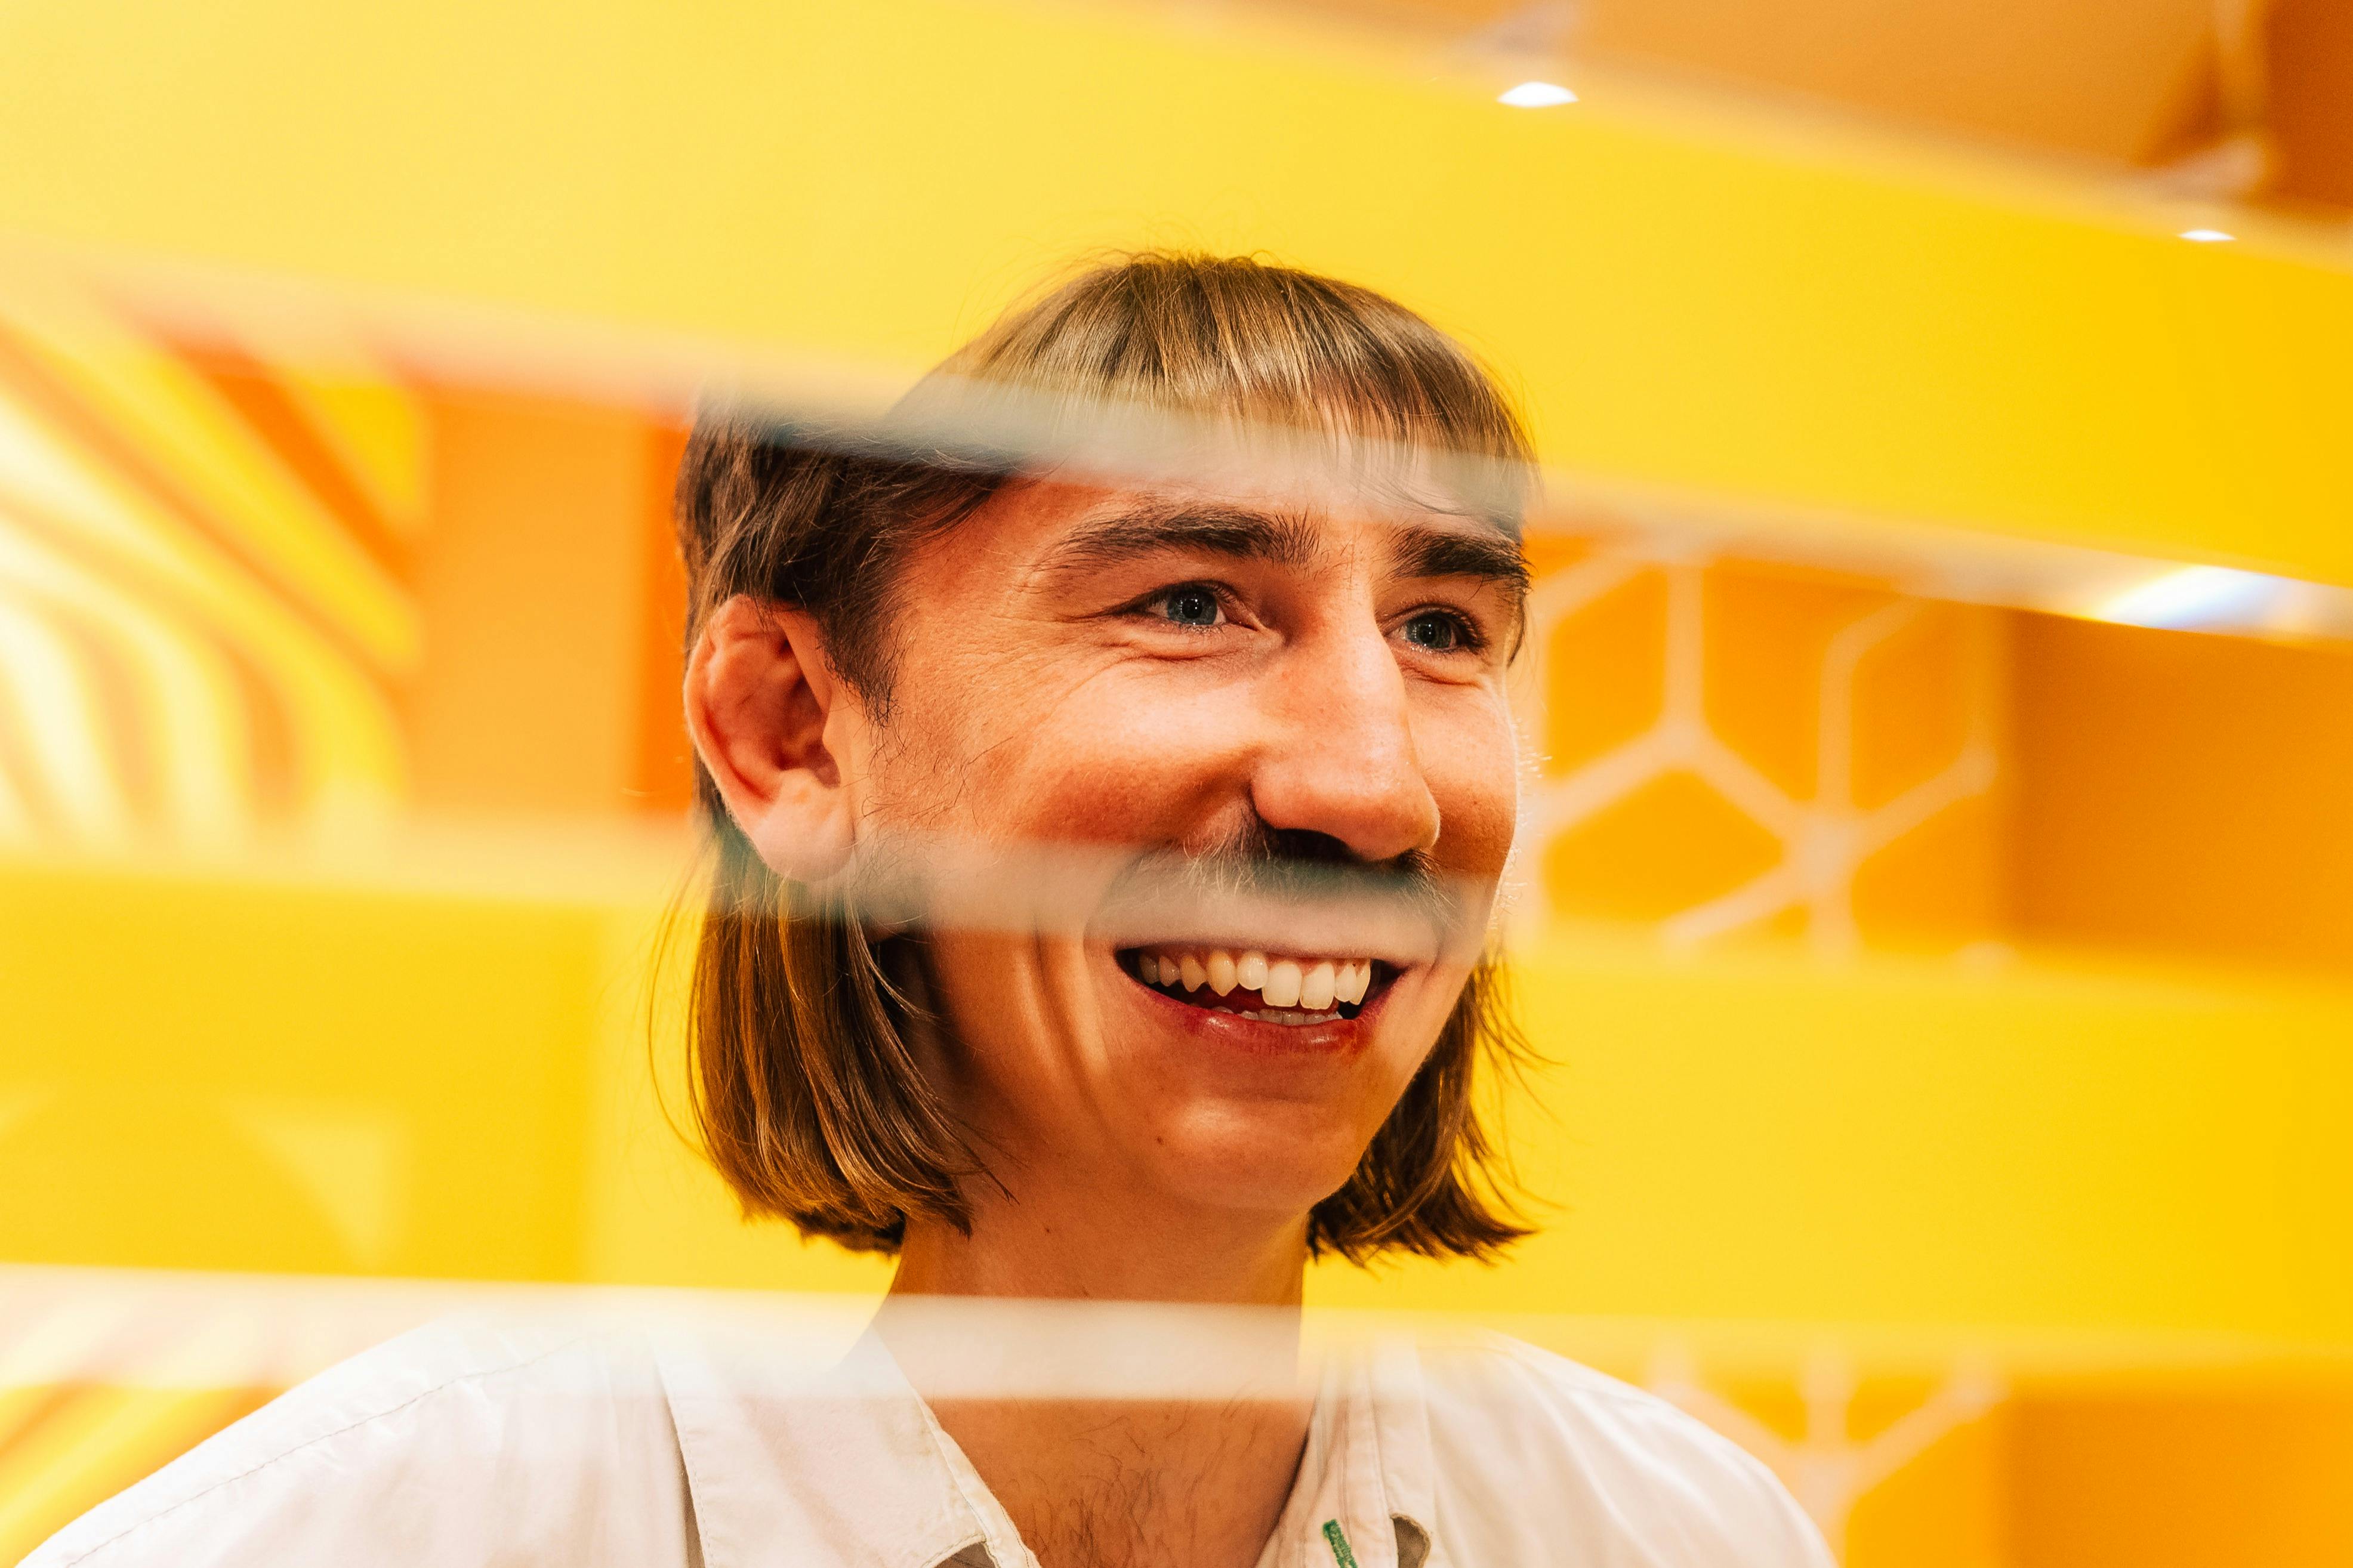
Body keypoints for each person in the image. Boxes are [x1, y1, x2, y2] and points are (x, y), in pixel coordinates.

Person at [27, 254, 1831, 1568]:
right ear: (793, 734)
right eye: (1196, 599)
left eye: (1444, 630)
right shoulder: (404, 1531)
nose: (1378, 787)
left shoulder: (1672, 1533)